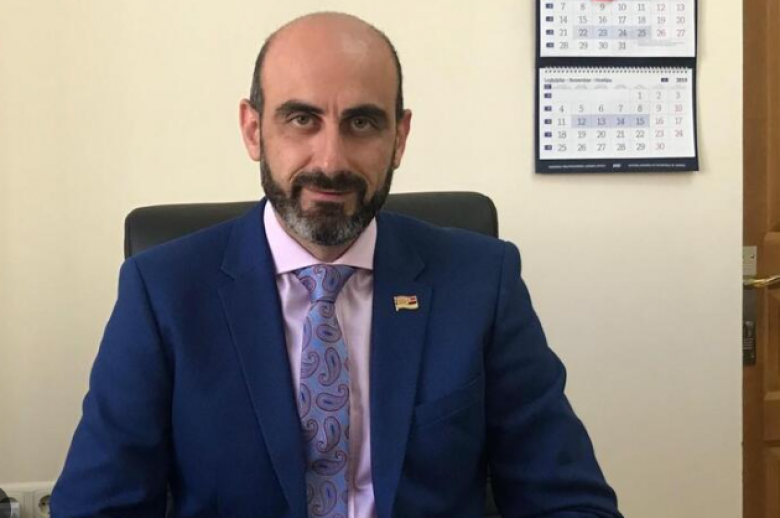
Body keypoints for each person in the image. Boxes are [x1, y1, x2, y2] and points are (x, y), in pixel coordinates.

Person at [51, 12, 622, 518]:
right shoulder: (163, 292)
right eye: (302, 119)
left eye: (362, 123)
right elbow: (96, 507)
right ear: (253, 130)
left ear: (399, 137)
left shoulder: (480, 282)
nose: (330, 161)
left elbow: (570, 502)